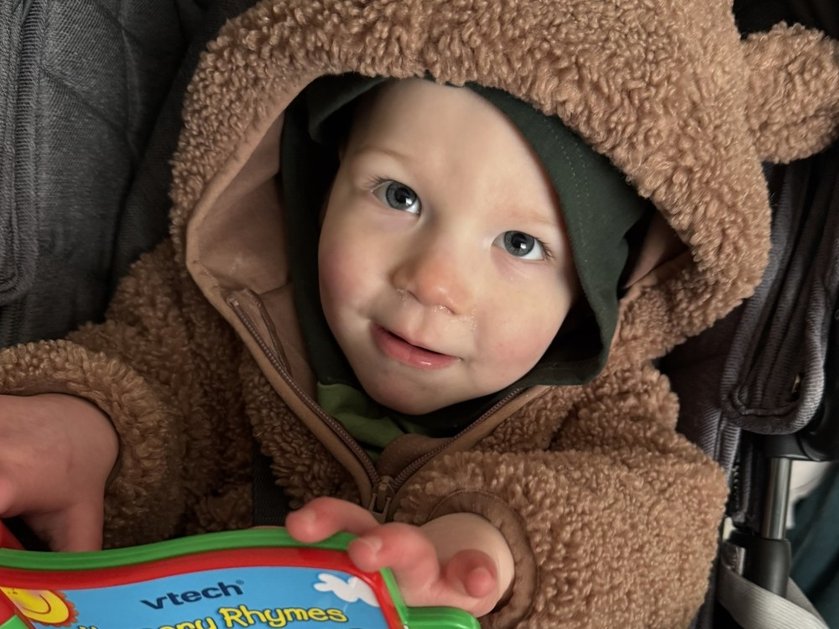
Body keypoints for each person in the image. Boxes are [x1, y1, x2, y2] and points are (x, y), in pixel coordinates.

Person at [1, 1, 837, 626]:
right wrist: (87, 426)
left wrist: (497, 546)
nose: (433, 282)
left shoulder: (599, 415)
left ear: (601, 286)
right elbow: (148, 378)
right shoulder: (228, 312)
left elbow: (658, 532)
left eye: (520, 243)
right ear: (325, 172)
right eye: (398, 195)